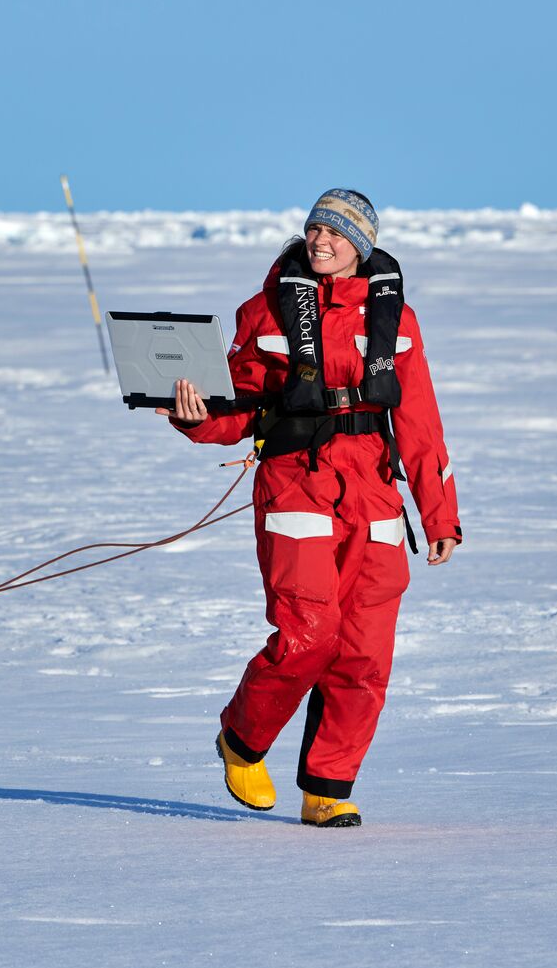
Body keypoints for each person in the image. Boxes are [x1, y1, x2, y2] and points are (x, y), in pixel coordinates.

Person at [160, 189, 460, 827]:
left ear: (363, 246)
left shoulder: (397, 318)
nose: (322, 241)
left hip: (374, 494)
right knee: (308, 636)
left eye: (337, 234)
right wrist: (195, 417)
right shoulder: (266, 310)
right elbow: (238, 405)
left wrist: (438, 515)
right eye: (315, 229)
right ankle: (242, 741)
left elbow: (419, 423)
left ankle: (328, 789)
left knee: (364, 654)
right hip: (297, 484)